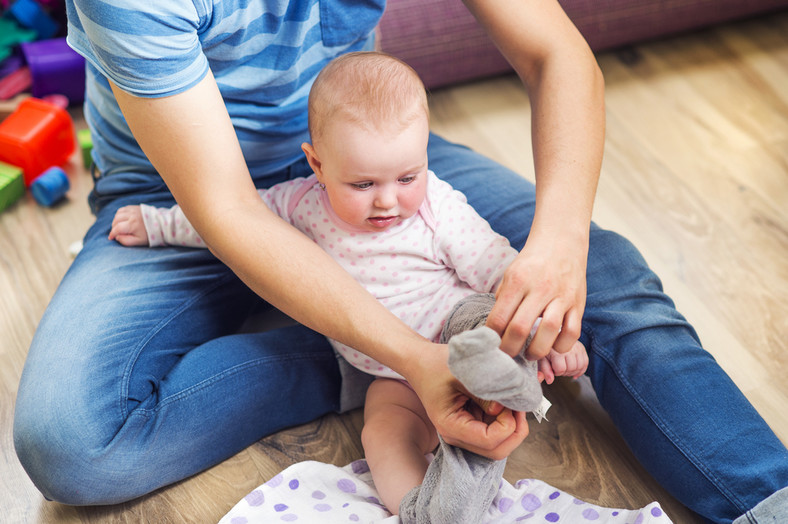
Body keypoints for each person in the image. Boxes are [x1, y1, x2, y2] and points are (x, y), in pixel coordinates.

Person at [12, 0, 787, 521]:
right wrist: (411, 355)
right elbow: (231, 211)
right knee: (72, 440)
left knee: (606, 273)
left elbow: (557, 54)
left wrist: (558, 245)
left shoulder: (405, 189)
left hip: (375, 170)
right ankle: (353, 353)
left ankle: (768, 500)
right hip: (188, 189)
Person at [107, 51, 588, 519]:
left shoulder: (435, 205)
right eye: (363, 185)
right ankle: (424, 510)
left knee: (484, 323)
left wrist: (547, 333)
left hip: (458, 330)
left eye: (406, 176)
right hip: (386, 374)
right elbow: (222, 220)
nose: (388, 202)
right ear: (317, 165)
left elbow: (495, 265)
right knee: (381, 433)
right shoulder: (299, 204)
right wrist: (155, 224)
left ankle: (505, 375)